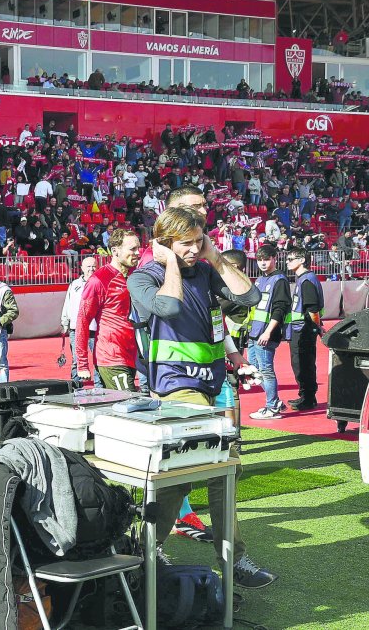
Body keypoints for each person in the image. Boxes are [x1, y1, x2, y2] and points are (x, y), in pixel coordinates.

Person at [128, 207, 277, 588]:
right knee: (225, 461)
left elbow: (250, 296)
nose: (194, 249)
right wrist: (171, 262)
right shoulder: (145, 277)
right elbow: (170, 307)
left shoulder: (207, 269)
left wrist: (214, 255)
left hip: (211, 387)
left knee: (180, 476)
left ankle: (148, 547)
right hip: (175, 388)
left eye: (199, 241)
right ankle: (236, 560)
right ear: (163, 244)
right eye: (186, 244)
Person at [75, 229, 140, 391]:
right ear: (115, 251)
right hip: (111, 357)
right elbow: (82, 321)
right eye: (132, 249)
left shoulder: (137, 275)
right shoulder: (99, 280)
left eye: (138, 248)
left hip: (133, 356)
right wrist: (82, 363)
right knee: (130, 405)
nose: (137, 253)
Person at [248, 245, 291, 420]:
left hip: (266, 333)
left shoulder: (279, 280)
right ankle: (275, 402)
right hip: (254, 332)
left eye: (266, 259)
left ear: (274, 258)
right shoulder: (259, 279)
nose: (263, 263)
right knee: (253, 370)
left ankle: (272, 407)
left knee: (265, 370)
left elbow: (279, 309)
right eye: (260, 260)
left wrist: (267, 332)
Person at [284, 247, 324, 412]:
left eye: (291, 259)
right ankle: (306, 396)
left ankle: (308, 397)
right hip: (302, 328)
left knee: (302, 364)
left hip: (303, 329)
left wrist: (317, 328)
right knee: (302, 363)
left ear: (302, 260)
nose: (288, 262)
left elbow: (312, 309)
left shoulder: (306, 280)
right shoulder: (306, 278)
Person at [61, 256, 97, 381]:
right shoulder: (74, 285)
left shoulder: (100, 283)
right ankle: (77, 385)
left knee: (98, 359)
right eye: (88, 266)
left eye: (93, 266)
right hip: (75, 328)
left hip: (95, 328)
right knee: (76, 358)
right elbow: (67, 304)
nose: (91, 269)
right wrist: (64, 322)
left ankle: (99, 384)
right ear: (82, 268)